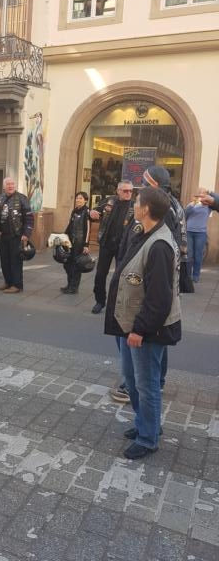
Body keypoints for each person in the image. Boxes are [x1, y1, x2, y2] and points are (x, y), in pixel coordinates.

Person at [105, 186, 181, 460]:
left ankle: (148, 438)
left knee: (146, 385)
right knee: (133, 381)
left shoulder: (159, 245)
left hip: (146, 329)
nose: (134, 204)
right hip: (129, 323)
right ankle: (145, 423)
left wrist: (140, 330)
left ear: (146, 209)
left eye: (137, 201)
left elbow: (159, 298)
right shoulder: (143, 232)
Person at [89, 180, 134, 314]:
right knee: (100, 274)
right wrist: (92, 212)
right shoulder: (109, 201)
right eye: (125, 191)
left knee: (120, 276)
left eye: (131, 191)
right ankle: (100, 301)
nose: (128, 193)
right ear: (118, 191)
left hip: (123, 246)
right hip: (106, 243)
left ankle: (116, 303)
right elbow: (95, 211)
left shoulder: (135, 205)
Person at [0, 177, 34, 294]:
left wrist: (26, 234)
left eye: (12, 184)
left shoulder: (22, 198)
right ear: (4, 186)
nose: (10, 186)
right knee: (4, 261)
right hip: (3, 235)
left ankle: (17, 285)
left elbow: (29, 218)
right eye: (8, 184)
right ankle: (8, 282)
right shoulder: (0, 198)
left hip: (17, 236)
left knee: (15, 262)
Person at [61, 191, 90, 294]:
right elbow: (70, 225)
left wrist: (86, 245)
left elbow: (87, 229)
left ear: (85, 200)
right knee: (67, 264)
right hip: (70, 241)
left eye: (81, 198)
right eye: (77, 198)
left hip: (79, 243)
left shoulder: (86, 211)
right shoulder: (75, 210)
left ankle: (74, 287)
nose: (78, 200)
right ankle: (69, 284)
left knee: (76, 265)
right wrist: (63, 237)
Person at [185, 194, 210, 283]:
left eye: (203, 196)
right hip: (189, 232)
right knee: (189, 255)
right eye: (200, 196)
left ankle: (196, 276)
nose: (201, 198)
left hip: (201, 233)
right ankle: (187, 276)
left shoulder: (209, 207)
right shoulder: (192, 205)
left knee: (198, 255)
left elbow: (216, 201)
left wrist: (210, 197)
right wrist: (192, 204)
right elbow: (185, 214)